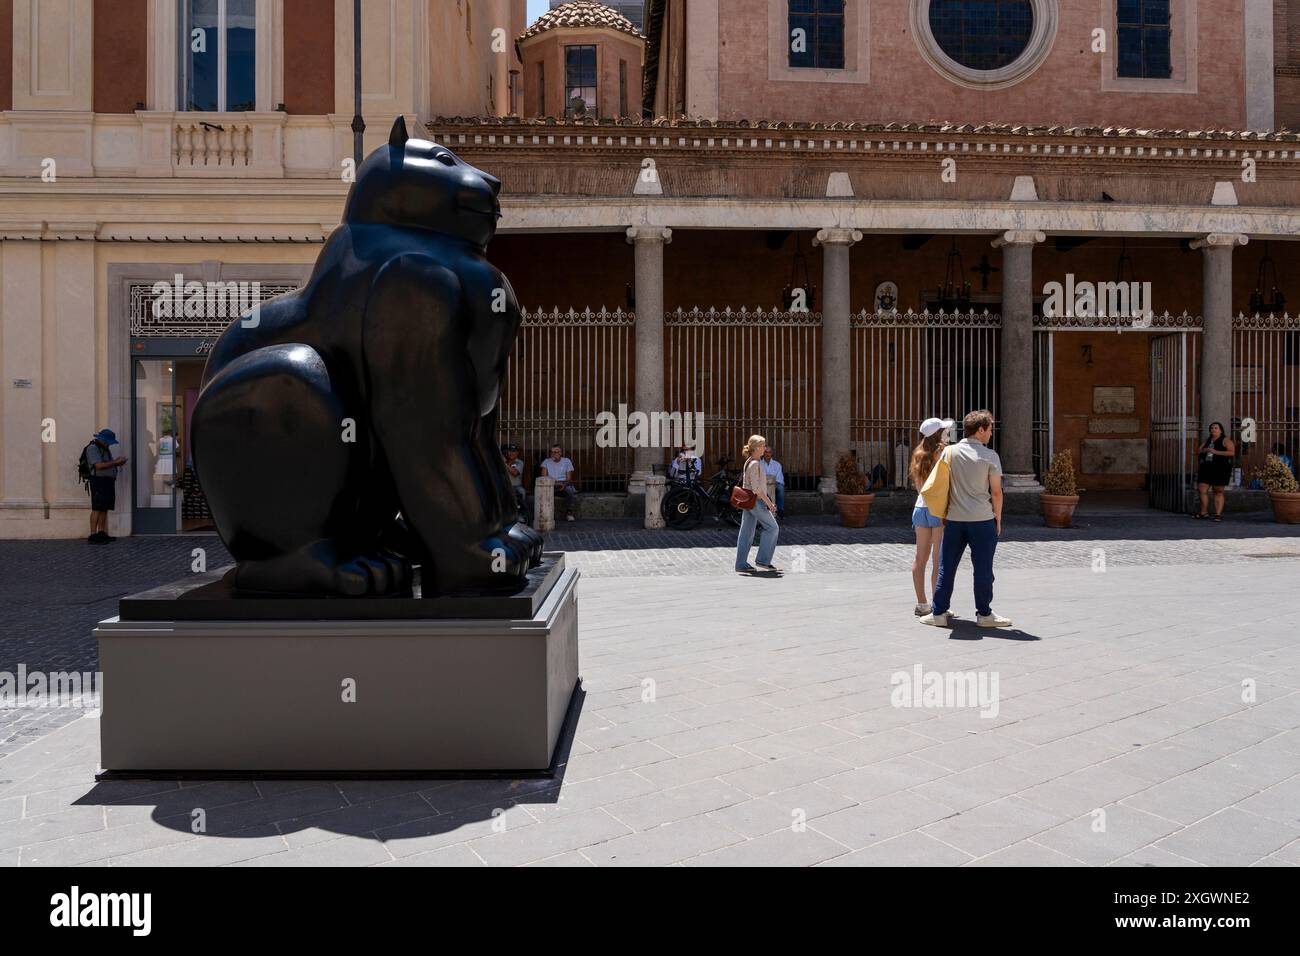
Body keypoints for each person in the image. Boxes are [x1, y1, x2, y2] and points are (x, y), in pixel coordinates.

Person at [920, 410, 1012, 628]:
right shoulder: (990, 456)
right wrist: (997, 517)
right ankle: (984, 614)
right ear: (980, 430)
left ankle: (939, 613)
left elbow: (941, 485)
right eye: (990, 429)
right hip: (982, 520)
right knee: (983, 568)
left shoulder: (949, 452)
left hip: (954, 518)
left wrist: (942, 512)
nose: (991, 433)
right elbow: (996, 492)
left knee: (947, 566)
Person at [910, 417, 952, 616]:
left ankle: (921, 604)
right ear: (938, 434)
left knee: (920, 558)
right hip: (937, 509)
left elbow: (919, 487)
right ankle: (938, 605)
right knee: (938, 559)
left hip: (920, 508)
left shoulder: (918, 454)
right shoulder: (942, 452)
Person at [735, 434, 780, 573]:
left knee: (746, 533)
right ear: (756, 448)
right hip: (756, 502)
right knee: (772, 528)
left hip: (748, 502)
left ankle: (741, 564)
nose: (765, 448)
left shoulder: (749, 461)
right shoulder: (755, 464)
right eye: (763, 446)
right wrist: (770, 503)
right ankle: (763, 560)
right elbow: (756, 489)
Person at [85, 428, 126, 544]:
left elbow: (108, 464)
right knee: (97, 508)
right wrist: (115, 462)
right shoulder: (93, 448)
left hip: (107, 481)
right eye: (108, 441)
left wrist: (118, 463)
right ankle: (93, 535)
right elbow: (98, 465)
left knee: (105, 508)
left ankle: (101, 532)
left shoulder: (105, 449)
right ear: (102, 439)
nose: (109, 444)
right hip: (99, 481)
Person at [1194, 422, 1235, 521]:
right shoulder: (1208, 440)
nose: (1213, 430)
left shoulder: (1225, 440)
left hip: (1220, 468)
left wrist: (1215, 451)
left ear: (1221, 430)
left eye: (1216, 428)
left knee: (1218, 492)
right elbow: (1198, 451)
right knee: (1202, 490)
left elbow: (1232, 452)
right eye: (1212, 428)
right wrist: (1204, 450)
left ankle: (1218, 514)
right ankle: (1204, 512)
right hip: (1206, 468)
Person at [540, 443, 579, 521]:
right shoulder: (546, 461)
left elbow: (569, 478)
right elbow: (543, 477)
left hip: (563, 484)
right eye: (553, 452)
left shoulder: (566, 461)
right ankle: (546, 514)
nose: (555, 454)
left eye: (557, 452)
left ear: (561, 453)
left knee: (570, 491)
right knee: (542, 492)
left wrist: (563, 484)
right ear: (551, 453)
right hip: (550, 485)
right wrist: (554, 483)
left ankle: (569, 512)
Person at [760, 445, 786, 518]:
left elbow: (779, 479)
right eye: (766, 452)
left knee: (780, 488)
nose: (767, 454)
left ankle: (780, 510)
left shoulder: (777, 465)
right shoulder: (759, 464)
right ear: (763, 453)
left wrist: (772, 483)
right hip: (762, 485)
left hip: (774, 484)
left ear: (772, 453)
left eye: (769, 452)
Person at [502, 443, 527, 514]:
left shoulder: (519, 462)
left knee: (522, 491)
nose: (511, 453)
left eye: (513, 451)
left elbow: (515, 473)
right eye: (510, 451)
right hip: (505, 486)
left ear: (517, 453)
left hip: (516, 486)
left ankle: (522, 513)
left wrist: (504, 464)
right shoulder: (504, 461)